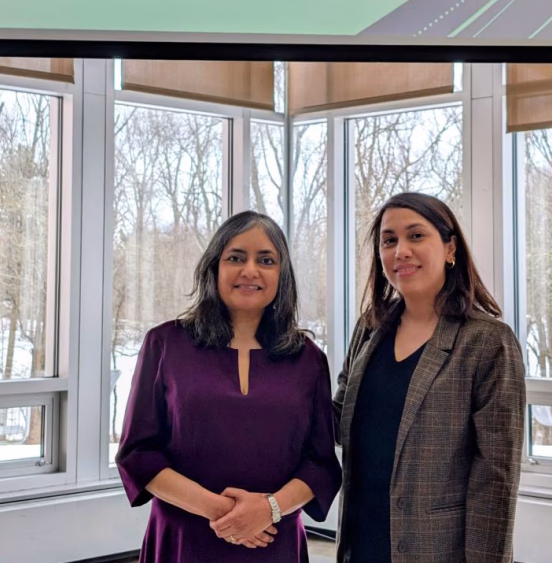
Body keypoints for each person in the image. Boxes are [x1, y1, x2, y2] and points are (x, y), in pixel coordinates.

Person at [116, 210, 341, 562]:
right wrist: (223, 512)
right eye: (236, 257)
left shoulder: (308, 359)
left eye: (266, 260)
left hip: (273, 541)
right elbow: (139, 454)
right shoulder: (165, 344)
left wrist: (267, 510)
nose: (250, 270)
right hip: (183, 541)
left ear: (282, 276)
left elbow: (321, 465)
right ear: (214, 268)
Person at [334, 192, 525, 563]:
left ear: (450, 247)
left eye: (416, 236)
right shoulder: (369, 329)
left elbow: (496, 478)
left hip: (438, 551)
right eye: (389, 240)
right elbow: (338, 420)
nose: (400, 250)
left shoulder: (487, 341)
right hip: (362, 544)